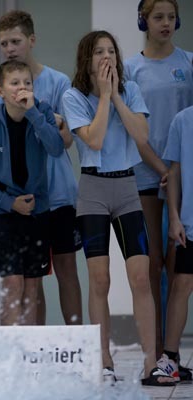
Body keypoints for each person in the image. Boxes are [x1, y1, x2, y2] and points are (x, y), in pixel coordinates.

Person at [61, 30, 174, 386]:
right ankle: (104, 361)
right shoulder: (73, 96)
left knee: (141, 276)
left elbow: (141, 136)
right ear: (87, 58)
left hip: (126, 188)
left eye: (111, 50)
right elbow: (93, 139)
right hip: (93, 190)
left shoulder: (132, 90)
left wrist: (117, 96)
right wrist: (104, 96)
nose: (106, 57)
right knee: (100, 279)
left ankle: (150, 362)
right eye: (99, 52)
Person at [0, 10, 82, 326]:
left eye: (15, 41)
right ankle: (24, 344)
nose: (10, 48)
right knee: (23, 282)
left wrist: (43, 118)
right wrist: (6, 200)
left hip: (55, 194)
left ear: (31, 40)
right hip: (14, 201)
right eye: (4, 43)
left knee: (63, 270)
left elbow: (64, 140)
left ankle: (74, 342)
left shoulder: (57, 83)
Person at [124, 0, 193, 367]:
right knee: (151, 262)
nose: (165, 23)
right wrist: (159, 167)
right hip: (146, 173)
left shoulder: (189, 63)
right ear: (144, 21)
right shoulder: (131, 69)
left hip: (183, 175)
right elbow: (132, 127)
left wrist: (175, 170)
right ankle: (153, 353)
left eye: (171, 17)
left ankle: (172, 352)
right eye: (158, 17)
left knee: (177, 264)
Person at [0, 60, 63, 326]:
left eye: (27, 83)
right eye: (15, 83)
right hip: (3, 212)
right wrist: (9, 202)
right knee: (12, 283)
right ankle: (8, 345)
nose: (22, 88)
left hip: (36, 211)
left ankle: (28, 348)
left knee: (31, 285)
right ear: (0, 91)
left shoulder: (42, 112)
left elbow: (56, 148)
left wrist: (33, 114)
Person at [159, 104, 193, 382]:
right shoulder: (182, 121)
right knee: (181, 284)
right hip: (190, 223)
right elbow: (174, 173)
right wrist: (174, 217)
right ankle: (169, 358)